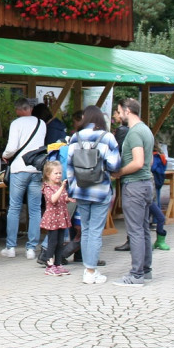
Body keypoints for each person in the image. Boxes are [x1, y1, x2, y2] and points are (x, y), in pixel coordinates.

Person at [65, 105, 121, 285]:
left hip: (80, 190)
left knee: (86, 230)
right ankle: (90, 271)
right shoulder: (108, 137)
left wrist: (71, 190)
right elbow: (115, 165)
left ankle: (87, 269)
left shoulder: (75, 137)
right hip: (100, 190)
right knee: (95, 231)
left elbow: (69, 166)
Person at [113, 98, 155, 286]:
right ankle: (146, 270)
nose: (118, 113)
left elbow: (138, 162)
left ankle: (136, 274)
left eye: (119, 110)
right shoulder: (146, 130)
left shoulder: (134, 133)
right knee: (144, 228)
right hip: (147, 183)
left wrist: (119, 172)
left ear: (127, 110)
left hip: (135, 186)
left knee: (135, 230)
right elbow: (149, 162)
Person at [0, 97, 47, 259]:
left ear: (18, 110)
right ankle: (31, 248)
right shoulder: (42, 124)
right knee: (35, 210)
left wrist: (4, 155)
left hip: (19, 169)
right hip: (36, 169)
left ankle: (11, 247)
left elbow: (12, 148)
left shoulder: (16, 124)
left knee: (14, 208)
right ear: (31, 108)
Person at [39, 160, 72, 276]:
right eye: (56, 173)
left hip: (62, 217)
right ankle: (49, 265)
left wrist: (69, 199)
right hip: (52, 218)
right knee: (52, 242)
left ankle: (58, 264)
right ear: (48, 174)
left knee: (60, 242)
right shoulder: (47, 187)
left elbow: (63, 198)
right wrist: (62, 187)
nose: (58, 175)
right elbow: (53, 199)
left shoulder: (59, 186)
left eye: (60, 173)